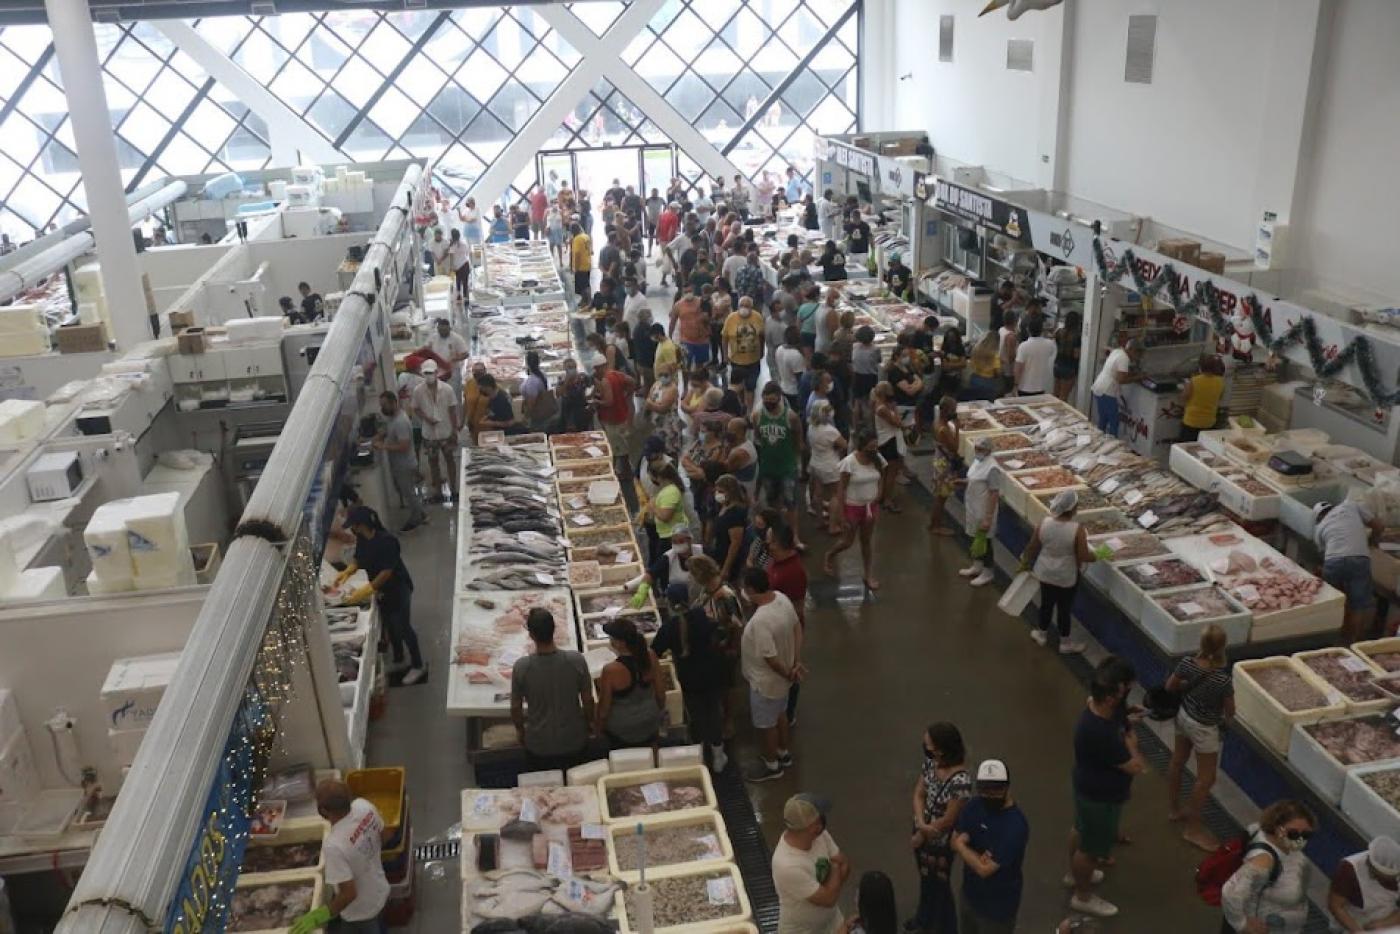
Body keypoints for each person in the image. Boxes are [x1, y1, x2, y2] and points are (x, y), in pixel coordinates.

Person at [1068, 657, 1146, 919]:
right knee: (1090, 850)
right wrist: (1132, 742)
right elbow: (1135, 766)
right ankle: (1083, 895)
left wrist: (1127, 715)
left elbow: (1118, 717)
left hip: (1087, 788)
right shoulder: (1099, 733)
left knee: (1081, 829)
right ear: (1112, 696)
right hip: (1101, 797)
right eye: (1124, 690)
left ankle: (1075, 874)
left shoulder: (1097, 708)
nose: (1127, 693)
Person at [335, 506, 426, 685]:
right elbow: (359, 557)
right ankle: (399, 658)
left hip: (398, 589)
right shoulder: (362, 538)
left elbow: (387, 571)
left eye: (354, 525)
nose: (352, 529)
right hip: (382, 591)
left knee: (403, 626)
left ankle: (418, 665)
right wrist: (349, 570)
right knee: (391, 626)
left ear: (362, 524)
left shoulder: (387, 541)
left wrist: (366, 590)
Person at [1165, 624, 1235, 852]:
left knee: (1177, 761)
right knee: (1205, 779)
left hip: (1184, 716)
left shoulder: (1187, 663)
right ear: (1223, 647)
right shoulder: (1223, 680)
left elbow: (1170, 686)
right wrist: (1226, 725)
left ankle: (1174, 809)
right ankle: (1193, 830)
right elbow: (1229, 711)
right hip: (1204, 728)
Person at [290, 779, 389, 933]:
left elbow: (349, 894)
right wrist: (364, 858)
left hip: (360, 912)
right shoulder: (364, 806)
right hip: (379, 887)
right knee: (379, 923)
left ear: (323, 811)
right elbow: (384, 836)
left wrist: (319, 915)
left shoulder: (334, 846)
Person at [951, 759, 1031, 934]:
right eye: (985, 790)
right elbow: (954, 839)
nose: (990, 795)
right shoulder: (974, 806)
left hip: (998, 910)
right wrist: (975, 855)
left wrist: (963, 847)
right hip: (969, 897)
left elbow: (984, 869)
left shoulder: (1015, 826)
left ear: (1007, 787)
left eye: (997, 789)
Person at [652, 593, 729, 773]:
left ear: (670, 605)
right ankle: (718, 756)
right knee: (714, 712)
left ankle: (699, 755)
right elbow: (722, 633)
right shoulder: (704, 619)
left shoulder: (669, 628)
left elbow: (654, 652)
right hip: (712, 675)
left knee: (696, 715)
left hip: (689, 679)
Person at [510, 607, 594, 770]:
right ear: (554, 629)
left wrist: (520, 731)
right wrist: (589, 722)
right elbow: (588, 699)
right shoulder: (576, 661)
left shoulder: (522, 667)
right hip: (574, 740)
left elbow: (515, 707)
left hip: (539, 745)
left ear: (531, 635)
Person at [740, 567, 802, 782]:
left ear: (750, 589)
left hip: (766, 684)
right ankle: (783, 752)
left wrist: (788, 673)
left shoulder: (761, 621)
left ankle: (771, 764)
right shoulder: (782, 599)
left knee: (767, 725)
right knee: (781, 714)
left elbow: (771, 659)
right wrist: (795, 662)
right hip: (782, 681)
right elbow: (797, 628)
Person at [909, 722, 972, 934]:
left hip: (940, 841)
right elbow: (919, 793)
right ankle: (924, 918)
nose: (926, 747)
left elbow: (949, 819)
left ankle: (945, 927)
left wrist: (922, 831)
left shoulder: (960, 781)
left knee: (941, 885)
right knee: (926, 878)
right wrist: (920, 822)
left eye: (929, 744)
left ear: (942, 749)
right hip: (924, 830)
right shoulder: (930, 763)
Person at [1221, 800, 1317, 933]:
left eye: (1306, 835)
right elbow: (1231, 892)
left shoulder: (1259, 832)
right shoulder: (1265, 860)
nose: (1300, 839)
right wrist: (1241, 924)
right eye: (1293, 834)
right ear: (1278, 829)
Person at [1022, 489, 1097, 654]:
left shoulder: (1044, 523)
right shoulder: (1077, 529)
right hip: (1066, 575)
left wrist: (1025, 562)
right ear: (1073, 509)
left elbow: (1032, 546)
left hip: (1045, 571)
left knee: (1046, 604)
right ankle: (1065, 643)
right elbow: (1083, 555)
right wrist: (1098, 555)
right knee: (1064, 608)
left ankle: (1041, 634)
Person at [774, 793, 849, 934]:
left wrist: (831, 887)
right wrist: (834, 867)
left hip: (833, 921)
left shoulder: (820, 835)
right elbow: (829, 899)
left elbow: (846, 865)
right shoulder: (787, 865)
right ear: (813, 827)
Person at [1313, 499, 1385, 643]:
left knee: (1333, 602)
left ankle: (1329, 640)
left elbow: (1324, 555)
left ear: (1319, 517)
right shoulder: (1350, 505)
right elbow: (1379, 525)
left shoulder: (1319, 528)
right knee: (1358, 604)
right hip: (1359, 559)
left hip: (1333, 562)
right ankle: (1353, 643)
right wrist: (1372, 542)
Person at [824, 430, 885, 592]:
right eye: (870, 447)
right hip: (852, 507)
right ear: (862, 446)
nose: (873, 450)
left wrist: (879, 493)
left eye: (875, 447)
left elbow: (881, 477)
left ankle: (868, 574)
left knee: (866, 542)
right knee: (848, 541)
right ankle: (830, 554)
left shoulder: (877, 459)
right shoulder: (849, 462)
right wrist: (841, 515)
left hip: (870, 507)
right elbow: (841, 489)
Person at [596, 618, 665, 749]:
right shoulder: (650, 656)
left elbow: (603, 711)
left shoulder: (611, 670)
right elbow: (661, 693)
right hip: (650, 720)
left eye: (612, 637)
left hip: (622, 729)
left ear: (620, 643)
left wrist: (597, 730)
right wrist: (658, 713)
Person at [754, 382, 805, 549]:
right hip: (768, 466)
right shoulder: (757, 415)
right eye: (766, 400)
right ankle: (775, 532)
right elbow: (757, 438)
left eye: (772, 400)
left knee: (791, 503)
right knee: (771, 501)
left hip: (787, 467)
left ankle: (794, 536)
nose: (769, 403)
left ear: (780, 398)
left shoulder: (790, 417)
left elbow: (799, 440)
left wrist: (797, 461)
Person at [373, 391, 425, 532]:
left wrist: (383, 446)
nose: (382, 408)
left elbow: (404, 445)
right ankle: (420, 513)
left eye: (384, 405)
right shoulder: (393, 418)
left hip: (404, 464)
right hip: (400, 463)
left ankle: (416, 518)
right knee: (405, 489)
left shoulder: (401, 422)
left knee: (408, 492)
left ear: (393, 403)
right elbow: (388, 432)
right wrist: (379, 436)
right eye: (381, 405)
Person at [1328, 835, 1400, 932]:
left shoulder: (1396, 869)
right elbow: (1335, 905)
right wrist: (1358, 931)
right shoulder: (1349, 869)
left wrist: (1382, 924)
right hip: (1353, 921)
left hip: (1387, 920)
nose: (1393, 880)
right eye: (1385, 877)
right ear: (1372, 868)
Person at [411, 360, 459, 503]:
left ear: (437, 373)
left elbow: (452, 410)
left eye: (431, 373)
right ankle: (437, 492)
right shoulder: (418, 390)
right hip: (429, 434)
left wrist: (454, 430)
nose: (429, 376)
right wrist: (426, 418)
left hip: (446, 431)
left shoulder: (447, 389)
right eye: (426, 373)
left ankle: (454, 490)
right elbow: (415, 408)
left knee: (450, 460)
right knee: (433, 462)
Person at [957, 437, 1000, 587]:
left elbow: (994, 493)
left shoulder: (993, 467)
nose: (977, 451)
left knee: (985, 542)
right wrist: (963, 481)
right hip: (973, 507)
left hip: (984, 509)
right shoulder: (978, 462)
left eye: (981, 449)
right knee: (974, 538)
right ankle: (977, 566)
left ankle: (988, 572)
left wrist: (988, 518)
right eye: (976, 448)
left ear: (988, 450)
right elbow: (974, 479)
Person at [1090, 336, 1144, 435]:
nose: (1136, 358)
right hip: (1107, 391)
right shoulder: (1124, 358)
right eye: (1137, 354)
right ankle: (1112, 445)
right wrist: (1138, 377)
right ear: (1131, 350)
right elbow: (1121, 380)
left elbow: (1117, 372)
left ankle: (1099, 442)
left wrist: (1134, 375)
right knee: (1114, 422)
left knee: (1103, 419)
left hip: (1099, 387)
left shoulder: (1117, 351)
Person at [593, 355, 636, 476]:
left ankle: (623, 472)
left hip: (612, 418)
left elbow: (609, 402)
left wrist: (596, 402)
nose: (596, 372)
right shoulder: (616, 374)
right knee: (621, 444)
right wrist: (627, 395)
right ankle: (622, 469)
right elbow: (632, 381)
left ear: (600, 367)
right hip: (621, 414)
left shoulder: (606, 380)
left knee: (617, 446)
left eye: (596, 369)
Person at [806, 400, 846, 523]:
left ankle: (820, 520)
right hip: (830, 465)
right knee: (836, 495)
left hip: (815, 463)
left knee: (818, 493)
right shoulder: (830, 430)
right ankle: (833, 526)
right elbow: (844, 444)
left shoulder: (811, 427)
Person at [707, 474, 750, 584]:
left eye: (721, 491)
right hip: (720, 551)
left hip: (730, 558)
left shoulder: (736, 513)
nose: (717, 494)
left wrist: (726, 568)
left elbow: (735, 543)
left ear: (730, 492)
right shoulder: (724, 506)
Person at [723, 296, 765, 409]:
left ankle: (749, 410)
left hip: (753, 360)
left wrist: (762, 351)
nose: (744, 308)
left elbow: (761, 336)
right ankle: (741, 406)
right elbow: (725, 337)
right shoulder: (731, 318)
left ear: (752, 307)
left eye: (747, 306)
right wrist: (725, 355)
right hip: (737, 360)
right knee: (739, 387)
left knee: (751, 386)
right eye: (742, 306)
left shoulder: (757, 317)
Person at [871, 382, 906, 513]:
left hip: (884, 440)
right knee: (891, 473)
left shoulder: (877, 404)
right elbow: (897, 423)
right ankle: (887, 499)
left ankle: (882, 495)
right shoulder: (883, 409)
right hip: (889, 441)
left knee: (884, 472)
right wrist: (895, 409)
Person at [1179, 353, 1226, 443]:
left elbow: (1184, 397)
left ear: (1201, 367)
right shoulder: (1220, 382)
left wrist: (1185, 387)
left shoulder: (1194, 381)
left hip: (1191, 422)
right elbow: (1220, 397)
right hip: (1209, 423)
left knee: (1186, 448)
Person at [1013, 314, 1057, 396]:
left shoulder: (1023, 346)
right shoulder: (1050, 344)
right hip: (1042, 386)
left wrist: (1015, 384)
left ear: (1028, 329)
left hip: (1024, 386)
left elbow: (1018, 368)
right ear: (1042, 330)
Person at [670, 284, 712, 368]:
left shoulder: (702, 302)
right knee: (685, 365)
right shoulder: (678, 305)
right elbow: (672, 322)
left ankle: (698, 380)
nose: (688, 293)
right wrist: (670, 337)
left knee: (700, 365)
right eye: (686, 292)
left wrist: (705, 317)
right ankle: (686, 381)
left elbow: (710, 318)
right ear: (682, 292)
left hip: (702, 340)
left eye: (690, 291)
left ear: (693, 290)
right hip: (686, 340)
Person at [421, 316, 468, 387]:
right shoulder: (433, 337)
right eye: (440, 331)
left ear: (449, 328)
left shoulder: (457, 338)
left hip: (452, 371)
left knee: (453, 393)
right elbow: (425, 348)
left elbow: (466, 354)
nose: (442, 333)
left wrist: (455, 358)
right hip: (437, 370)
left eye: (444, 330)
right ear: (438, 329)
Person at [520, 351, 558, 433]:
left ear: (527, 363)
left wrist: (525, 417)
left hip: (537, 414)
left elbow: (531, 402)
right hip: (544, 413)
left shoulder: (532, 381)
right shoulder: (541, 374)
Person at [777, 325, 808, 414]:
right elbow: (800, 378)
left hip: (783, 385)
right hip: (794, 391)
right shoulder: (795, 355)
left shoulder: (780, 349)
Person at [1053, 310, 1082, 400]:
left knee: (1055, 395)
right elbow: (1076, 355)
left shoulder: (1059, 332)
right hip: (1069, 367)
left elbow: (1057, 345)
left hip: (1057, 365)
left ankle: (1050, 412)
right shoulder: (1077, 336)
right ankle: (1060, 414)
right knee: (1063, 397)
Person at [967, 331, 1002, 401]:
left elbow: (971, 364)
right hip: (988, 383)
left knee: (975, 403)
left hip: (975, 379)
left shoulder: (975, 350)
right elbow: (998, 372)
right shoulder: (994, 355)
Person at [997, 311, 1019, 397]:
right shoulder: (1010, 336)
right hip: (1008, 370)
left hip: (1000, 365)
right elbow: (1011, 357)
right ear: (1015, 321)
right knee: (1008, 393)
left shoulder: (1001, 330)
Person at [447, 229, 471, 306]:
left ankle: (458, 296)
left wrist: (451, 268)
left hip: (457, 267)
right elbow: (467, 253)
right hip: (465, 264)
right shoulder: (464, 243)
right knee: (465, 282)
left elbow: (451, 258)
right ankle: (466, 298)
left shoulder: (452, 246)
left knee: (458, 281)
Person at [570, 222, 592, 302]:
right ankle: (585, 300)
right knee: (586, 284)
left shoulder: (577, 239)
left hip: (581, 266)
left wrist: (575, 268)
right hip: (587, 263)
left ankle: (587, 301)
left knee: (582, 286)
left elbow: (577, 254)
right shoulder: (586, 236)